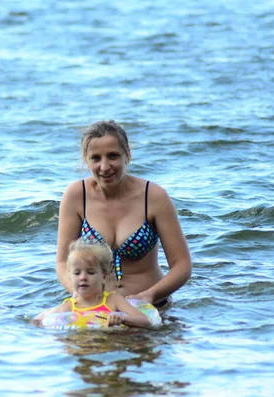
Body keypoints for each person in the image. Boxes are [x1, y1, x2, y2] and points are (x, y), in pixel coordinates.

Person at [56, 120, 192, 308]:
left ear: (127, 154)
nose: (104, 167)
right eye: (96, 158)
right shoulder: (76, 196)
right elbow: (63, 262)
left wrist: (149, 296)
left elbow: (182, 265)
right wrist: (79, 293)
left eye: (112, 156)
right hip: (96, 308)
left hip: (151, 307)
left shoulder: (154, 197)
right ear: (86, 160)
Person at [36, 238, 153, 328]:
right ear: (70, 277)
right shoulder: (69, 307)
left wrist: (122, 319)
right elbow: (41, 318)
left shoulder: (113, 300)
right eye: (77, 273)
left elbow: (146, 320)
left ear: (104, 276)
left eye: (90, 273)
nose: (83, 277)